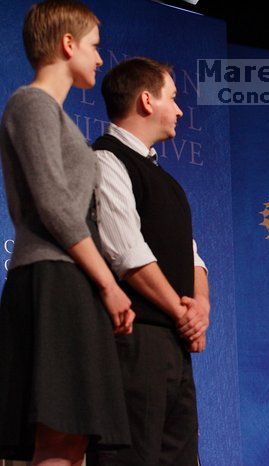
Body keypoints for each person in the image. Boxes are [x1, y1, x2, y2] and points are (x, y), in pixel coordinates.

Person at [0, 1, 135, 464]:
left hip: (73, 279)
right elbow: (55, 205)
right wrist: (108, 284)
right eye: (95, 47)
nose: (100, 59)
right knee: (58, 437)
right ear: (68, 43)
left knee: (74, 440)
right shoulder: (30, 103)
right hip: (52, 279)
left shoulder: (60, 118)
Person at [89, 57, 210, 466]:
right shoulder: (106, 160)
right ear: (146, 100)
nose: (179, 109)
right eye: (173, 98)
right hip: (133, 342)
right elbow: (128, 255)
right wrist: (182, 312)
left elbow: (192, 254)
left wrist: (202, 307)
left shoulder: (169, 182)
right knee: (131, 456)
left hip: (174, 347)